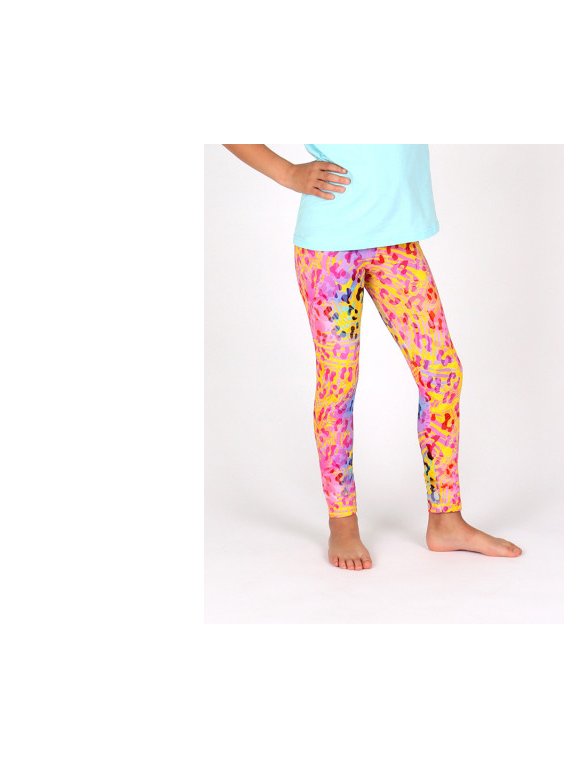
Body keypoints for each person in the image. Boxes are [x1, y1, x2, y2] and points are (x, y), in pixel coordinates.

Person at [223, 144, 522, 570]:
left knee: (442, 374)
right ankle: (342, 523)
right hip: (330, 246)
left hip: (397, 244)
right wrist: (288, 173)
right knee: (338, 384)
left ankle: (446, 520)